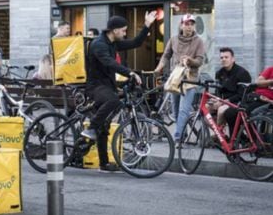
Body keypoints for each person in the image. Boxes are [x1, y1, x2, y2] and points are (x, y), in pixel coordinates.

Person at [81, 12, 157, 172]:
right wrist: (129, 73)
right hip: (95, 87)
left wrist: (147, 25)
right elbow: (109, 63)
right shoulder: (99, 44)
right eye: (123, 30)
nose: (125, 33)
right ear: (114, 30)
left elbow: (136, 42)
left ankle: (104, 163)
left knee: (105, 124)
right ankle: (91, 128)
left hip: (107, 85)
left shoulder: (113, 43)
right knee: (113, 101)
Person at [154, 13, 205, 143]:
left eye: (192, 24)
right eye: (186, 24)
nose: (189, 27)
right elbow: (166, 56)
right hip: (175, 79)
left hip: (190, 80)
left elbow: (199, 61)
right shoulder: (173, 39)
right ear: (181, 25)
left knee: (184, 110)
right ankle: (182, 135)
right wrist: (159, 67)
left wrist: (190, 61)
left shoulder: (199, 41)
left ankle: (177, 138)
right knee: (176, 111)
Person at [212, 47, 251, 133]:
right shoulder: (219, 73)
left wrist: (224, 101)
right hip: (224, 101)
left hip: (237, 101)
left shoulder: (242, 73)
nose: (223, 59)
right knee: (205, 108)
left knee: (221, 111)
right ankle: (220, 134)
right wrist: (217, 99)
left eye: (226, 57)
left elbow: (241, 94)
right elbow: (218, 90)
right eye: (221, 58)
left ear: (233, 59)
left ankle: (218, 135)